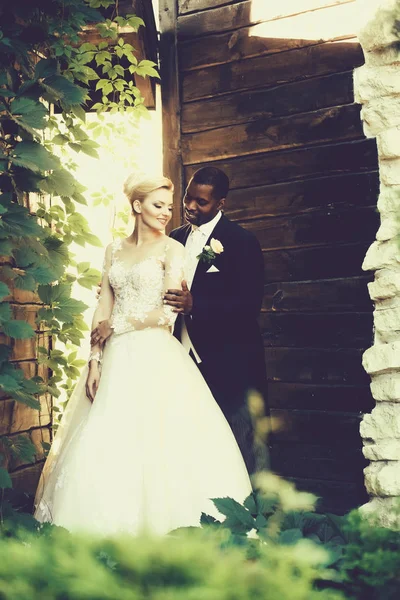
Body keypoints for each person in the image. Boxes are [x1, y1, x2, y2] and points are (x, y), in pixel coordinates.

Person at [34, 175, 252, 537]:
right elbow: (104, 302)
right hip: (114, 358)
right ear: (137, 206)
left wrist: (116, 328)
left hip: (155, 354)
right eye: (158, 205)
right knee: (106, 440)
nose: (167, 213)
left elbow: (167, 315)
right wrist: (94, 359)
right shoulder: (113, 250)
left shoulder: (173, 250)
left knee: (160, 441)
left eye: (169, 206)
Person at [165, 167, 267, 474]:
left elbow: (249, 305)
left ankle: (254, 510)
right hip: (182, 357)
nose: (191, 206)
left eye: (202, 202)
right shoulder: (173, 239)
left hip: (230, 359)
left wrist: (197, 304)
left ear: (220, 203)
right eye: (188, 197)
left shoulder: (241, 241)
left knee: (241, 438)